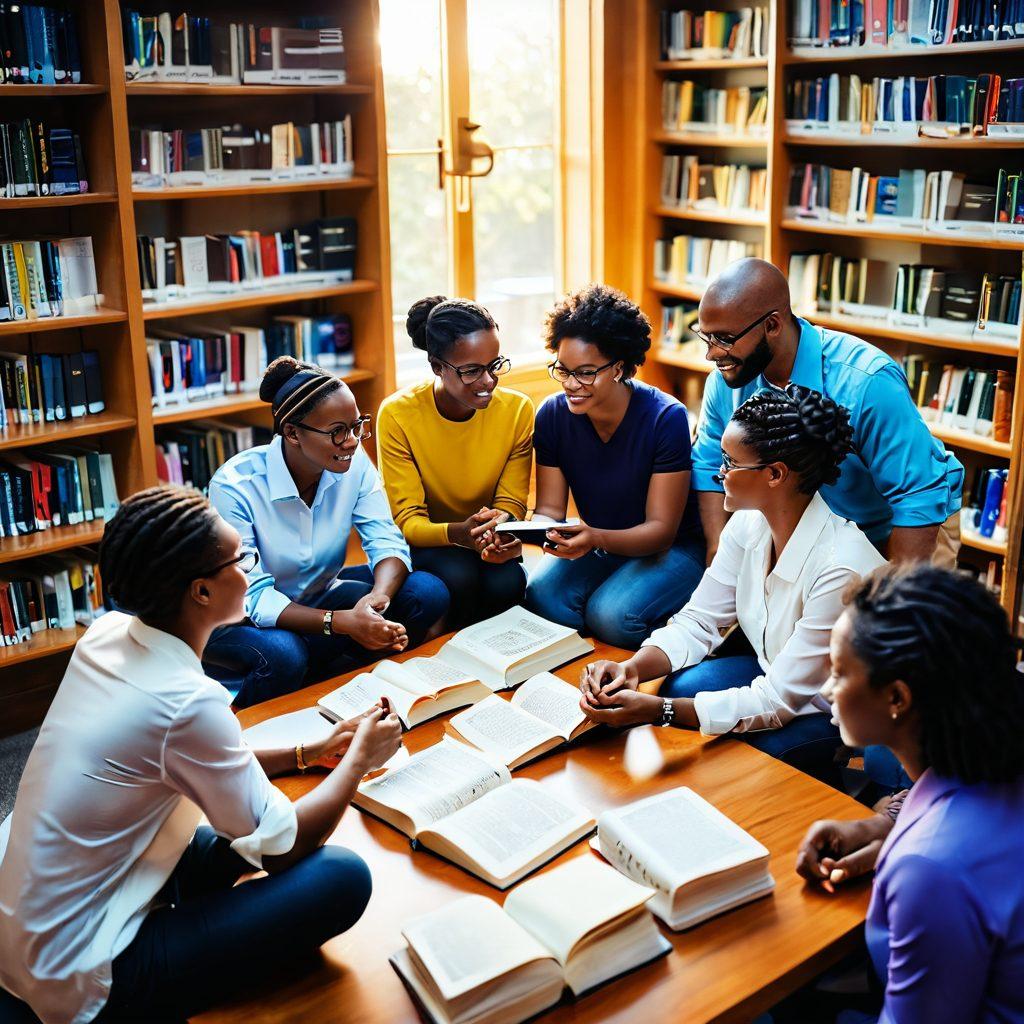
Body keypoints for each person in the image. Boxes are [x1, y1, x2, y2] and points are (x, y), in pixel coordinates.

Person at [0, 486, 403, 1023]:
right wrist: (358, 759)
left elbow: (186, 760)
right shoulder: (187, 703)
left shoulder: (107, 635)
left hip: (26, 905)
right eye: (242, 559)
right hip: (77, 967)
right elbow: (286, 850)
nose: (251, 568)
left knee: (226, 833)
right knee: (342, 877)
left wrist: (311, 751)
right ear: (202, 592)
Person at [579, 385, 886, 787]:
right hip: (778, 675)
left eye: (730, 462)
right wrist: (631, 668)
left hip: (837, 713)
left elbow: (778, 702)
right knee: (681, 685)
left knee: (742, 761)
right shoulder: (749, 521)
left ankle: (850, 781)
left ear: (776, 474)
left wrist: (660, 710)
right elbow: (699, 620)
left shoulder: (840, 568)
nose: (718, 472)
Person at [794, 563, 1024, 1023]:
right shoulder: (991, 758)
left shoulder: (931, 869)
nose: (827, 688)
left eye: (840, 673)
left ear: (897, 698)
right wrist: (880, 834)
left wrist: (907, 863)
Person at [203, 357, 449, 708]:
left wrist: (374, 599)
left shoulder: (352, 462)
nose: (351, 442)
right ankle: (251, 714)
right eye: (338, 431)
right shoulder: (235, 486)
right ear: (292, 433)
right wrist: (342, 623)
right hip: (237, 617)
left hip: (317, 595)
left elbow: (385, 538)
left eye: (356, 426)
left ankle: (329, 680)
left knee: (427, 592)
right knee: (284, 655)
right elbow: (253, 596)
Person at [691, 258, 964, 567]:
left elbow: (918, 495)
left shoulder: (867, 382)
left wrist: (890, 598)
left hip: (896, 528)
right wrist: (718, 552)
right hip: (809, 532)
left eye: (725, 339)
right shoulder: (725, 380)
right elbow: (709, 465)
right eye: (706, 336)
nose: (711, 353)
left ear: (772, 326)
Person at [524, 283, 705, 649]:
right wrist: (535, 533)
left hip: (671, 548)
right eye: (563, 370)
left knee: (611, 617)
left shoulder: (665, 418)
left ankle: (689, 627)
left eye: (587, 373)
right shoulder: (553, 416)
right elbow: (549, 510)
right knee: (541, 596)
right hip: (601, 542)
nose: (572, 385)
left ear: (619, 367)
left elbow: (660, 531)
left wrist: (595, 538)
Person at [376, 296, 532, 628]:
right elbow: (407, 521)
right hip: (432, 538)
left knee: (509, 581)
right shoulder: (398, 414)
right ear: (437, 367)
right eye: (472, 371)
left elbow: (512, 500)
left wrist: (499, 523)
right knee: (458, 576)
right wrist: (458, 534)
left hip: (488, 537)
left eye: (494, 365)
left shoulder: (518, 410)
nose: (488, 381)